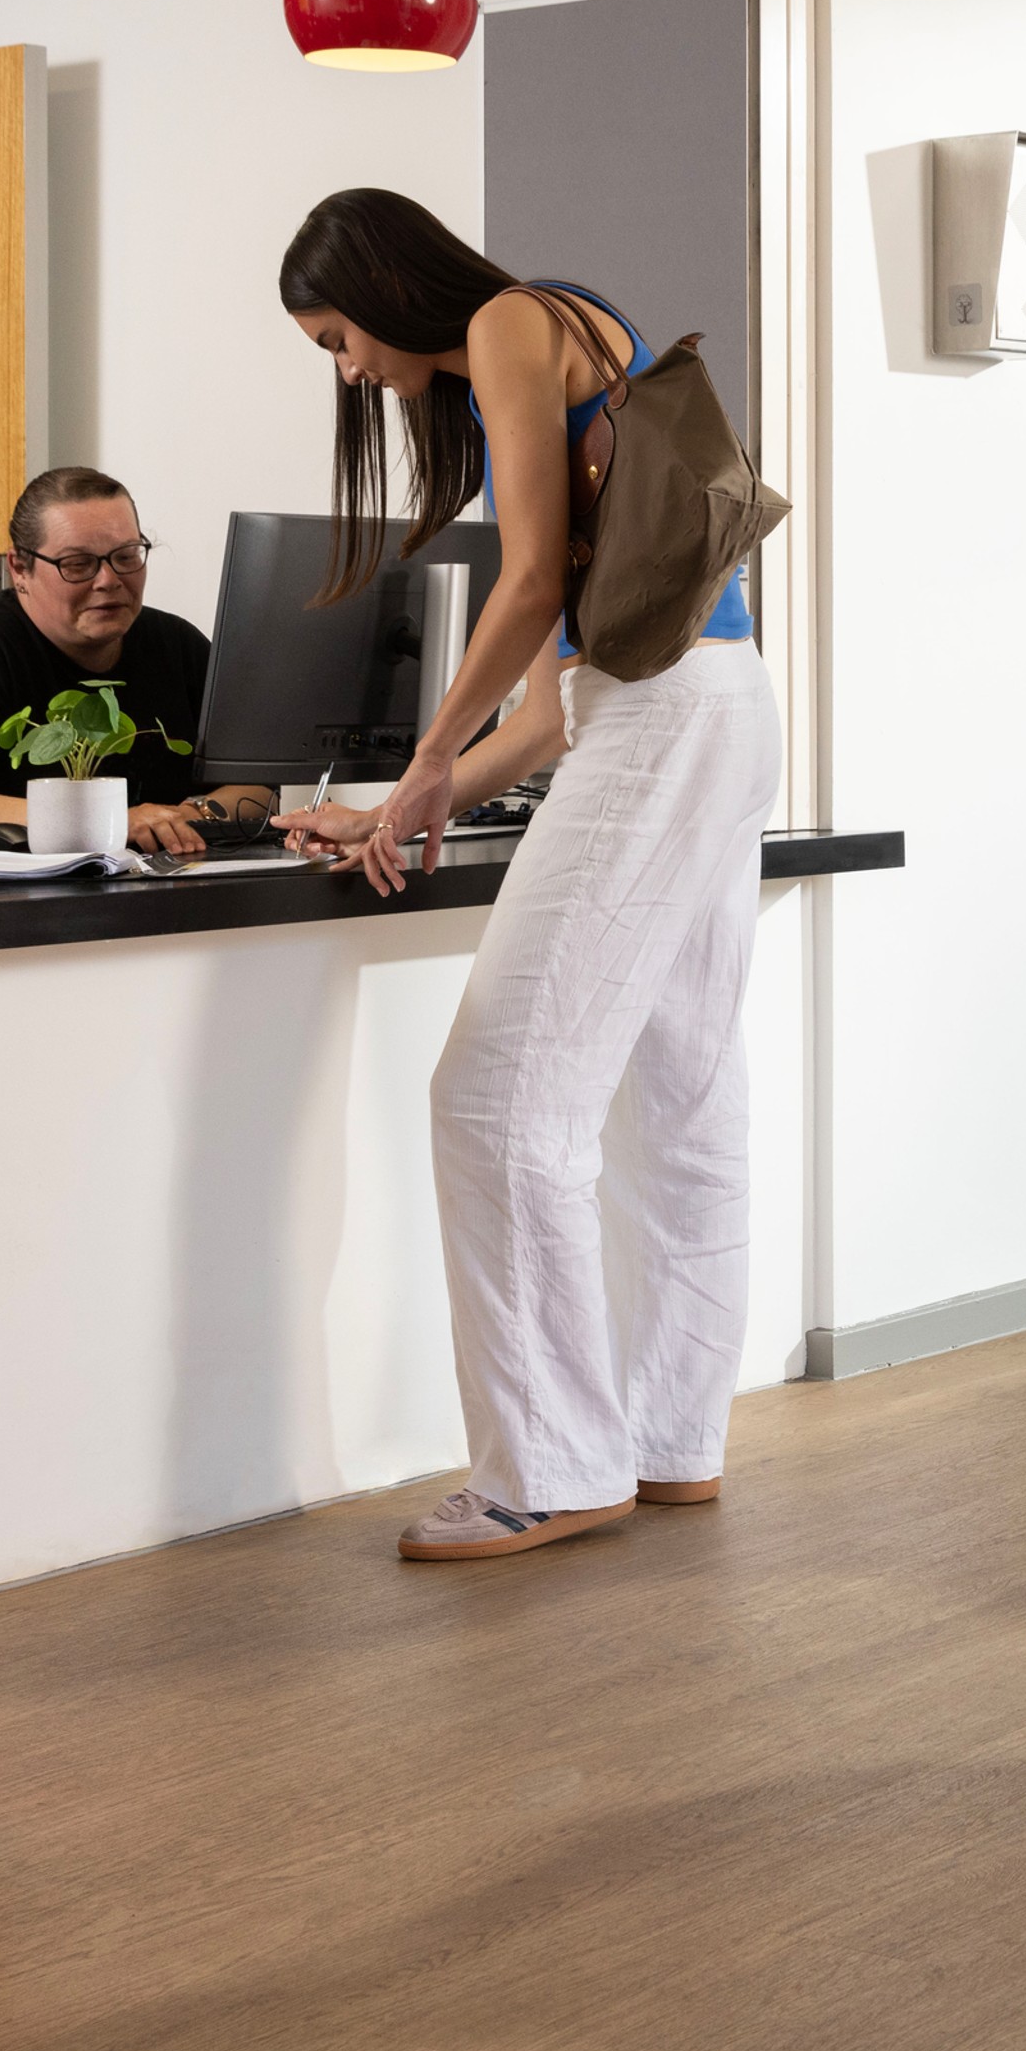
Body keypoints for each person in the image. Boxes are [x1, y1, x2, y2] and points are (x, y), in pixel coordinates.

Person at [270, 188, 781, 1564]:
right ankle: (670, 1440)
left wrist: (430, 751)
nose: (349, 369)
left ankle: (547, 1470)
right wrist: (410, 792)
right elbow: (563, 709)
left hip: (668, 725)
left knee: (495, 1101)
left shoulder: (502, 321)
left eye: (335, 338)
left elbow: (533, 582)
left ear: (378, 286)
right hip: (722, 711)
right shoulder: (582, 325)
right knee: (680, 1094)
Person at [0, 468, 276, 853]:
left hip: (149, 891)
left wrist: (186, 817)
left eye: (126, 556)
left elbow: (261, 788)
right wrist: (112, 821)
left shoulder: (176, 644)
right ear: (20, 567)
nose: (108, 579)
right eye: (77, 564)